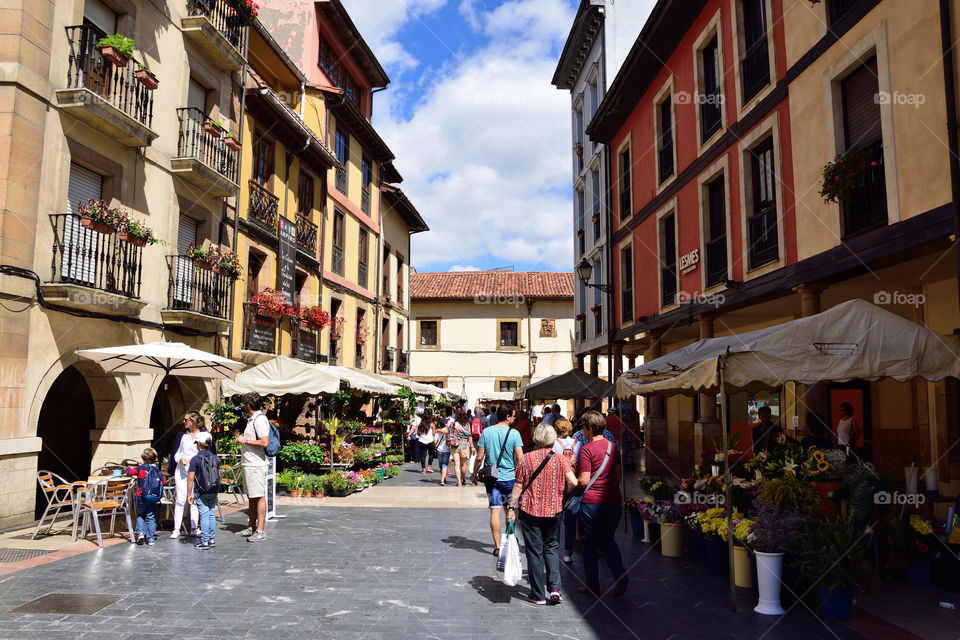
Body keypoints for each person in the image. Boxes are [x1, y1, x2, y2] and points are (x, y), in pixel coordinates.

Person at [507, 423, 578, 605]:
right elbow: (574, 482)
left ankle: (538, 594)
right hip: (554, 509)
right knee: (552, 547)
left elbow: (518, 485)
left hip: (530, 510)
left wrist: (510, 507)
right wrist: (563, 494)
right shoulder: (560, 459)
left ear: (536, 438)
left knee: (534, 551)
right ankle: (554, 589)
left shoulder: (527, 459)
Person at [577, 411, 628, 598]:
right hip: (612, 500)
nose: (582, 430)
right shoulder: (613, 447)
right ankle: (620, 573)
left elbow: (583, 480)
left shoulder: (587, 449)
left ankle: (592, 585)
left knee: (588, 543)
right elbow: (617, 474)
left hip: (591, 502)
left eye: (583, 426)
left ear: (589, 428)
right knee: (608, 540)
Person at [472, 405, 524, 555]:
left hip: (491, 478)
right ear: (507, 416)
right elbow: (520, 458)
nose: (514, 419)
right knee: (510, 510)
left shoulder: (487, 432)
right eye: (513, 416)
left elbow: (480, 457)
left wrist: (474, 474)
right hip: (509, 479)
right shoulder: (514, 433)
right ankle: (510, 540)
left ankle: (497, 547)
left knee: (494, 511)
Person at [235, 392, 270, 542]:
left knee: (259, 496)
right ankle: (251, 527)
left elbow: (264, 442)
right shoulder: (252, 419)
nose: (243, 406)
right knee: (252, 497)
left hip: (256, 464)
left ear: (248, 405)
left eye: (244, 403)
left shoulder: (260, 420)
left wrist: (245, 440)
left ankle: (260, 530)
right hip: (249, 464)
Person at [169, 411, 205, 539]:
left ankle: (194, 527)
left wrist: (195, 459)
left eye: (186, 420)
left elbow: (207, 453)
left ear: (193, 421)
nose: (183, 422)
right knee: (180, 499)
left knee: (194, 499)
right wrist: (181, 459)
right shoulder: (181, 435)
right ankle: (176, 528)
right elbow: (176, 452)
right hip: (182, 471)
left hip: (196, 472)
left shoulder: (203, 435)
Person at [551, 419, 579, 562]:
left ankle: (553, 548)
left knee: (556, 518)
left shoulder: (554, 444)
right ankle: (568, 552)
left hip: (557, 485)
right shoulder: (577, 443)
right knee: (570, 520)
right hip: (573, 485)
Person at [186, 431, 219, 550]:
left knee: (204, 515)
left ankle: (204, 541)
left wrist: (189, 494)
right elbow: (218, 474)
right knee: (211, 514)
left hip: (201, 491)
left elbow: (190, 478)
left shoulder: (195, 459)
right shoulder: (215, 457)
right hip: (213, 489)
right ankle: (211, 539)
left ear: (199, 444)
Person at [125, 447, 161, 546]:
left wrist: (127, 467)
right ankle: (151, 539)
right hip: (152, 497)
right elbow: (163, 482)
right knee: (151, 517)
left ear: (143, 458)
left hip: (140, 496)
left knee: (140, 515)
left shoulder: (140, 468)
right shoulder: (156, 470)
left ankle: (141, 534)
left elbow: (129, 473)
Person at [450, 410, 475, 486]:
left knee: (456, 464)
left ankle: (459, 482)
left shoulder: (454, 424)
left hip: (455, 445)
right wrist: (472, 446)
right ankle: (463, 478)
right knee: (463, 464)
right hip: (464, 446)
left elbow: (449, 432)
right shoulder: (467, 425)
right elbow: (469, 436)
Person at [435, 414, 452, 485]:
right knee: (445, 464)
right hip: (447, 450)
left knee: (441, 465)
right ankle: (442, 480)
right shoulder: (449, 430)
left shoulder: (438, 431)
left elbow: (435, 441)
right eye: (447, 422)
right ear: (445, 424)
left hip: (439, 450)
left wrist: (438, 430)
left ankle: (443, 478)